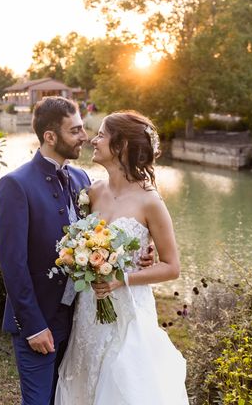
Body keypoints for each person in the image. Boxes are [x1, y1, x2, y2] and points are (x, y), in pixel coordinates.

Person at [0, 97, 153, 404]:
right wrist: (33, 326)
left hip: (80, 319)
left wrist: (142, 250)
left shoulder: (82, 179)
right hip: (39, 322)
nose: (85, 136)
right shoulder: (15, 185)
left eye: (84, 128)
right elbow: (13, 264)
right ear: (50, 137)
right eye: (75, 130)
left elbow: (109, 229)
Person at [55, 111, 189, 404]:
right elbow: (82, 243)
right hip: (90, 307)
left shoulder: (150, 201)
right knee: (86, 377)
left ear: (122, 145)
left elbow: (172, 266)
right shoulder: (92, 192)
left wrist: (122, 278)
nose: (93, 139)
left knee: (123, 384)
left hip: (128, 309)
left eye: (101, 135)